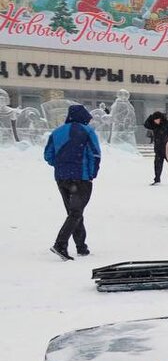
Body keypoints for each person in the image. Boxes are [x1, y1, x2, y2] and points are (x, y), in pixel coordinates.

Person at [44, 104, 101, 260]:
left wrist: (61, 164)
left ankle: (81, 246)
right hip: (81, 177)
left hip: (61, 177)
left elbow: (48, 155)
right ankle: (60, 244)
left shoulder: (56, 132)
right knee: (76, 212)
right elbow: (95, 154)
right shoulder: (87, 131)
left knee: (74, 212)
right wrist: (92, 173)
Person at [143, 109, 168, 184]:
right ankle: (157, 179)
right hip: (158, 149)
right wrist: (151, 117)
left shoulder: (167, 124)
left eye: (156, 119)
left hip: (167, 148)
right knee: (157, 165)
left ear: (160, 118)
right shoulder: (154, 125)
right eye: (154, 120)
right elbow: (146, 124)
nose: (155, 121)